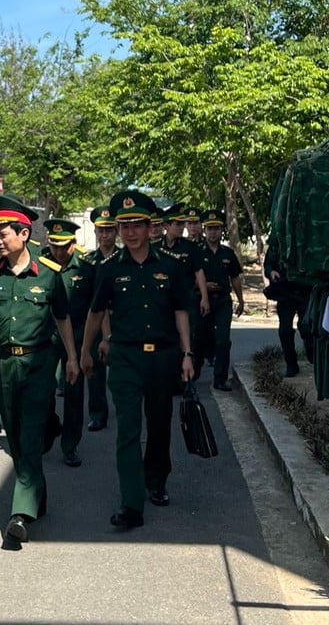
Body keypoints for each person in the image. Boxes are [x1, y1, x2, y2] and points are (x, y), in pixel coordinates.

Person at [0, 195, 78, 549]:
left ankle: (19, 514)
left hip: (39, 364)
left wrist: (72, 358)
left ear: (24, 234)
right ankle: (36, 495)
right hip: (3, 364)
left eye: (4, 234)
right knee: (15, 435)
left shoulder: (48, 276)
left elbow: (62, 318)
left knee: (29, 434)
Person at [80, 191, 193, 529]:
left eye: (136, 225)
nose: (129, 232)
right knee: (127, 430)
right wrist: (86, 350)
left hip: (162, 358)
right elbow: (96, 312)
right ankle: (131, 504)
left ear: (149, 227)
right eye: (123, 226)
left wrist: (187, 354)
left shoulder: (170, 267)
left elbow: (181, 312)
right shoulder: (109, 270)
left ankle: (156, 480)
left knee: (159, 426)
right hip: (125, 359)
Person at [43, 217, 93, 466]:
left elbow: (95, 307)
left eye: (64, 246)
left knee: (74, 395)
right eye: (54, 246)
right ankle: (50, 428)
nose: (59, 252)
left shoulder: (86, 267)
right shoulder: (40, 264)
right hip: (45, 340)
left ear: (73, 243)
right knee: (44, 391)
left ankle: (70, 445)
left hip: (76, 338)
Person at [196, 210, 245, 391]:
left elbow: (235, 278)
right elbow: (188, 276)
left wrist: (241, 300)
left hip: (223, 301)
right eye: (209, 229)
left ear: (221, 230)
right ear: (204, 230)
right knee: (199, 339)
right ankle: (191, 376)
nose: (213, 232)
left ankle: (220, 379)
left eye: (216, 228)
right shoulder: (197, 252)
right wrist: (203, 287)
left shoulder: (228, 253)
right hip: (202, 301)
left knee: (223, 341)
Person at [158, 203, 210, 375]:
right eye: (177, 224)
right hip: (165, 299)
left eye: (182, 224)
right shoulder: (156, 247)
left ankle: (188, 374)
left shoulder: (190, 247)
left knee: (190, 335)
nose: (181, 228)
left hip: (188, 297)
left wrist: (204, 297)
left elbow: (199, 272)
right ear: (166, 226)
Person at [85, 205, 118, 431]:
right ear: (95, 232)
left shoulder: (125, 259)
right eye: (101, 230)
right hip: (96, 323)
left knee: (122, 371)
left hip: (122, 321)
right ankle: (98, 414)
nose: (105, 235)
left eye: (109, 230)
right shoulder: (87, 262)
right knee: (95, 371)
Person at [264, 235, 314, 377]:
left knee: (307, 327)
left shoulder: (308, 237)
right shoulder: (278, 240)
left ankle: (310, 351)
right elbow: (268, 265)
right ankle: (291, 364)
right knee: (285, 330)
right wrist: (271, 272)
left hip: (305, 290)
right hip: (285, 291)